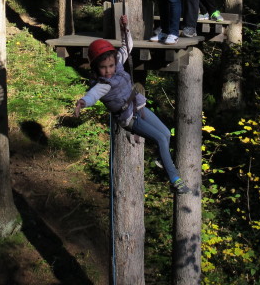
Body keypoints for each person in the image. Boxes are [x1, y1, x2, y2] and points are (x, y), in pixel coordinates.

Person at [74, 15, 190, 194]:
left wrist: (124, 29)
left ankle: (162, 158)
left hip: (139, 108)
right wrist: (83, 102)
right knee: (160, 139)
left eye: (110, 66)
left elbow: (128, 46)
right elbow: (92, 95)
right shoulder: (102, 85)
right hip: (129, 118)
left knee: (166, 133)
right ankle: (175, 179)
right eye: (103, 68)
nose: (109, 70)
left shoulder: (118, 63)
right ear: (96, 67)